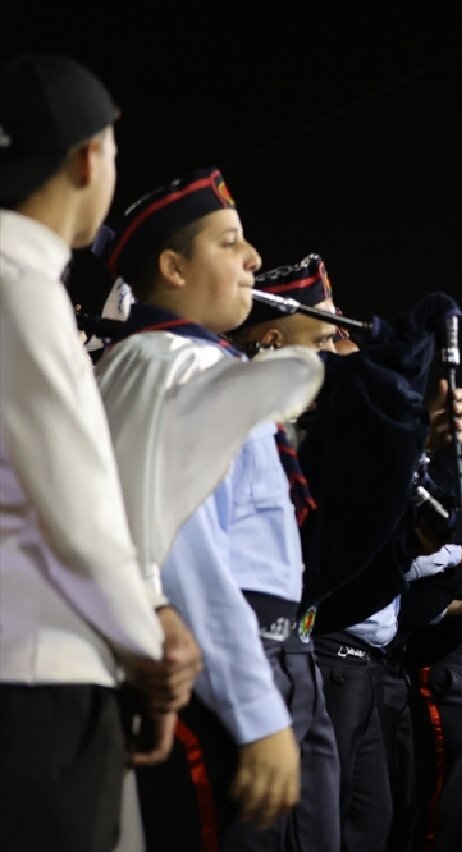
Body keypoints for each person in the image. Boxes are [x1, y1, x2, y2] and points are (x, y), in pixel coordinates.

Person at [94, 167, 339, 852]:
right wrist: (257, 714)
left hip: (240, 652)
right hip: (214, 665)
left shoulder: (188, 360)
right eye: (230, 242)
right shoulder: (172, 363)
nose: (254, 260)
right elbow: (181, 555)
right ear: (172, 267)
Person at [0, 53, 200, 852]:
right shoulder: (22, 288)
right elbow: (77, 510)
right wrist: (151, 638)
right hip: (37, 678)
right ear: (91, 157)